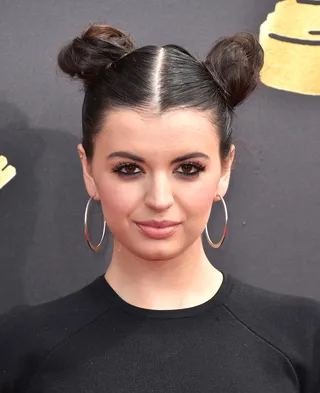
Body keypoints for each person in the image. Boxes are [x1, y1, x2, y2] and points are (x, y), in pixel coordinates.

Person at [0, 23, 319, 393]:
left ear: (224, 171)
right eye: (129, 169)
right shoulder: (19, 346)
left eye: (188, 169)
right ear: (89, 171)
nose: (159, 199)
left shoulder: (303, 336)